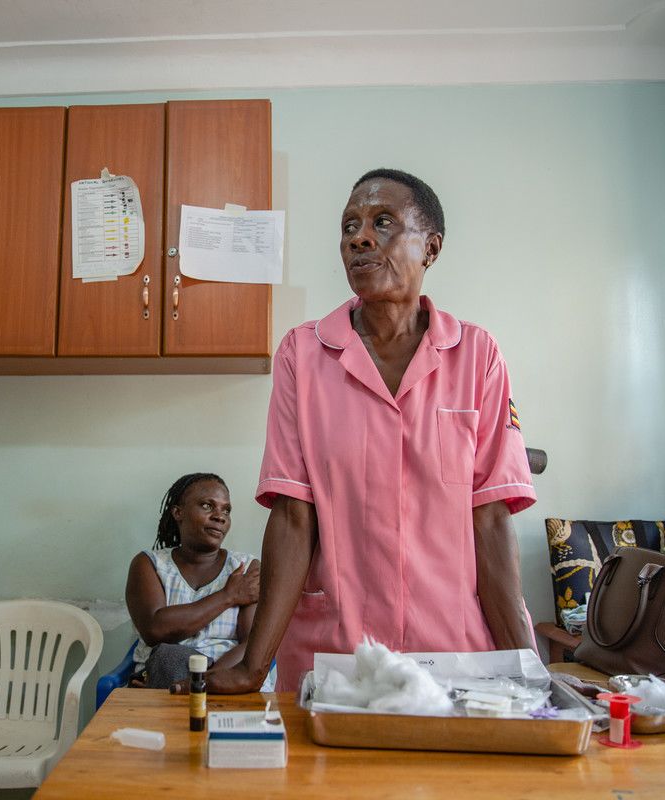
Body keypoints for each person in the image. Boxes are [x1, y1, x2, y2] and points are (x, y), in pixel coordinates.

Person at [208, 168, 537, 693]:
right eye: (349, 227)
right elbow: (293, 516)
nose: (359, 237)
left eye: (383, 222)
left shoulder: (477, 356)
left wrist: (527, 668)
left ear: (430, 248)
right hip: (337, 655)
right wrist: (254, 665)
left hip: (454, 653)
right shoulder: (304, 354)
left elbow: (491, 518)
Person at [125, 473, 276, 691]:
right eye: (207, 506)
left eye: (226, 510)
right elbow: (155, 629)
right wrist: (228, 596)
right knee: (169, 656)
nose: (219, 516)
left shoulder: (246, 568)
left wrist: (199, 684)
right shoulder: (149, 564)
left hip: (227, 677)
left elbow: (253, 645)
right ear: (178, 512)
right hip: (162, 675)